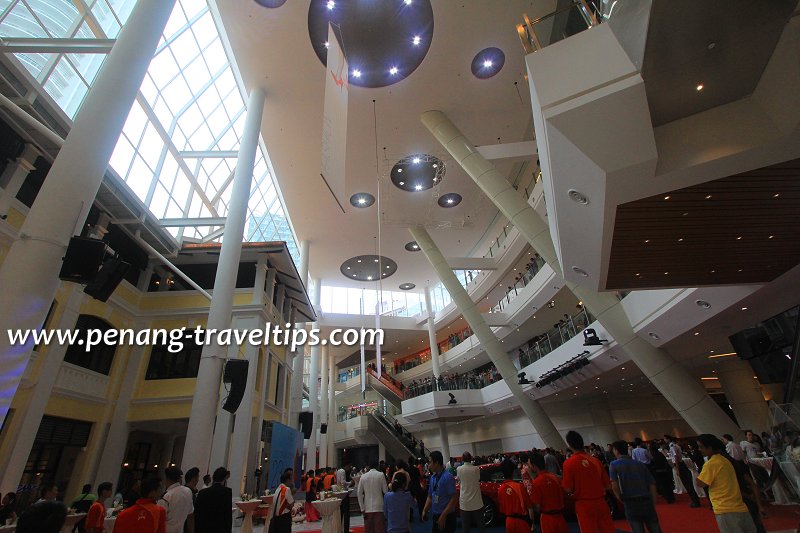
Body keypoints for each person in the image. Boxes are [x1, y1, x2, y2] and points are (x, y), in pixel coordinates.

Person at [696, 434, 757, 533]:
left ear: (710, 447)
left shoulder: (711, 463)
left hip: (725, 507)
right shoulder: (724, 460)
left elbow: (701, 483)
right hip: (739, 506)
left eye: (701, 447)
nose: (699, 449)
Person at [562, 430, 614, 533]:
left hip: (584, 505)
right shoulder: (595, 461)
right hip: (601, 502)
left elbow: (567, 488)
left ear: (570, 445)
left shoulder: (569, 463)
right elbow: (608, 486)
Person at [609, 440, 661, 533]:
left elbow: (614, 485)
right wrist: (653, 501)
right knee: (655, 528)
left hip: (630, 502)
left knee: (637, 529)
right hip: (646, 500)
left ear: (616, 450)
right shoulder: (640, 464)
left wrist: (620, 498)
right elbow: (652, 484)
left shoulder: (614, 465)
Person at [528, 452, 568, 533]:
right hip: (560, 516)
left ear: (533, 466)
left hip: (547, 518)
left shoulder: (536, 483)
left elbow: (537, 506)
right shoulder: (556, 478)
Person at [422, 451, 457, 533]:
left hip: (447, 517)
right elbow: (430, 496)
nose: (429, 465)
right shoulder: (433, 478)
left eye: (430, 462)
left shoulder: (447, 477)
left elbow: (454, 498)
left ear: (437, 463)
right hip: (436, 516)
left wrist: (443, 515)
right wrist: (425, 510)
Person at [496, 459, 533, 533]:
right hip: (522, 522)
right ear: (513, 472)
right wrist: (532, 523)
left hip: (509, 522)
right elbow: (530, 507)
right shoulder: (520, 487)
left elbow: (502, 509)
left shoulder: (500, 489)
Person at [664, 435, 700, 508]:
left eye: (665, 439)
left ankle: (695, 501)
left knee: (687, 484)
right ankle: (695, 499)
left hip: (680, 465)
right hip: (681, 464)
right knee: (688, 483)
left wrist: (677, 468)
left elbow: (676, 457)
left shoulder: (672, 446)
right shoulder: (675, 445)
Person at [195, 467, 232, 533]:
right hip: (219, 527)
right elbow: (227, 515)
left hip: (204, 527)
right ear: (224, 478)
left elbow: (197, 513)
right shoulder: (227, 492)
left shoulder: (202, 492)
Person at [158, 466, 194, 533]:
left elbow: (159, 519)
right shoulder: (188, 491)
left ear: (167, 479)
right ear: (179, 479)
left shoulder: (167, 496)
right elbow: (190, 515)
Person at [456, 452, 484, 533]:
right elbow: (478, 478)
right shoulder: (476, 469)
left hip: (464, 502)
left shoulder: (459, 469)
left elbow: (459, 480)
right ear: (471, 458)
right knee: (481, 525)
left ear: (462, 459)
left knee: (465, 527)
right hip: (477, 502)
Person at [358, 461, 388, 533]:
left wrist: (362, 508)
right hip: (379, 507)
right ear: (377, 466)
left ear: (368, 467)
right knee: (379, 529)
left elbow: (359, 493)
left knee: (368, 530)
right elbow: (385, 491)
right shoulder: (381, 475)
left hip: (367, 507)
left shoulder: (363, 476)